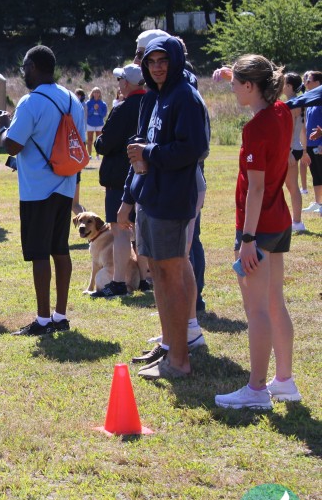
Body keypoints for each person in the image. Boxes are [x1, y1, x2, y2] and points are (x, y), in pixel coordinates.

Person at [118, 36, 210, 379]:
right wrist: (128, 198)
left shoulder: (185, 96)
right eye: (151, 62)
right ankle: (169, 347)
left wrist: (150, 153)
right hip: (149, 196)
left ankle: (180, 361)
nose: (157, 68)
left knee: (172, 275)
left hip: (172, 199)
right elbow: (138, 146)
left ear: (175, 62)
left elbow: (193, 149)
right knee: (157, 273)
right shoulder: (152, 97)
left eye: (163, 61)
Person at [215, 55, 299, 409]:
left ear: (251, 86)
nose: (232, 89)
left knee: (257, 310)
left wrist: (247, 239)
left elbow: (256, 188)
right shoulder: (281, 111)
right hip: (278, 221)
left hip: (259, 228)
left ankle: (256, 389)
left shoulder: (255, 128)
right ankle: (285, 382)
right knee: (275, 303)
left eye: (236, 84)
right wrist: (231, 73)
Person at [3, 46, 86, 336]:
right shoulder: (73, 100)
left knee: (39, 253)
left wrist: (5, 126)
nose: (23, 73)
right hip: (65, 184)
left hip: (37, 189)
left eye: (25, 67)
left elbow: (12, 145)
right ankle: (60, 315)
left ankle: (41, 320)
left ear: (35, 67)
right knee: (60, 250)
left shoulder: (30, 101)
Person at [92, 64, 146, 298]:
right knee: (140, 229)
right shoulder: (152, 103)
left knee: (120, 229)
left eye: (120, 80)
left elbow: (106, 143)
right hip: (146, 174)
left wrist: (98, 142)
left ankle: (119, 282)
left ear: (126, 83)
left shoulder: (123, 108)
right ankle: (144, 278)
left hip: (120, 176)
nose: (119, 84)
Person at [282, 73, 306, 232]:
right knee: (292, 187)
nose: (281, 86)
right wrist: (304, 150)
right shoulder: (301, 102)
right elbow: (303, 130)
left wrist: (288, 152)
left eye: (283, 83)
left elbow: (288, 131)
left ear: (289, 86)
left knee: (292, 187)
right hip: (295, 148)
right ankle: (295, 221)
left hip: (290, 150)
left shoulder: (291, 104)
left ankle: (296, 222)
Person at [300, 71, 322, 215]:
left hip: (319, 144)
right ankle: (318, 203)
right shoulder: (312, 101)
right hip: (311, 144)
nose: (306, 82)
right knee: (316, 174)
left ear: (318, 82)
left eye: (309, 80)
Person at [84, 87, 107, 157]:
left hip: (99, 124)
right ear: (92, 93)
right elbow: (87, 114)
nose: (96, 94)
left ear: (100, 94)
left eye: (98, 92)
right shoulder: (88, 103)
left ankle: (98, 155)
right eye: (95, 92)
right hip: (90, 124)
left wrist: (98, 109)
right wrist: (93, 109)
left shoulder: (103, 104)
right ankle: (89, 155)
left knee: (99, 140)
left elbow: (103, 115)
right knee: (89, 140)